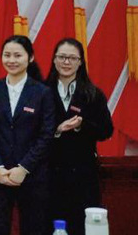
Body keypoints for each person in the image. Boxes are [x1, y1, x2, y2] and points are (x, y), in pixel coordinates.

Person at [0, 35, 55, 235]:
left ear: (30, 58)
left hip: (32, 175)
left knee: (34, 228)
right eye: (7, 55)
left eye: (17, 55)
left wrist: (24, 168)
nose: (11, 60)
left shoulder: (43, 92)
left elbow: (46, 135)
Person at [45, 38, 113, 235]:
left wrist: (82, 125)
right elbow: (29, 131)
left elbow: (106, 130)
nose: (66, 62)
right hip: (49, 175)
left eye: (72, 58)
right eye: (62, 57)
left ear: (80, 62)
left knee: (81, 227)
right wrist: (57, 130)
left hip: (83, 177)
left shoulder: (93, 94)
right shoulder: (40, 92)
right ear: (54, 60)